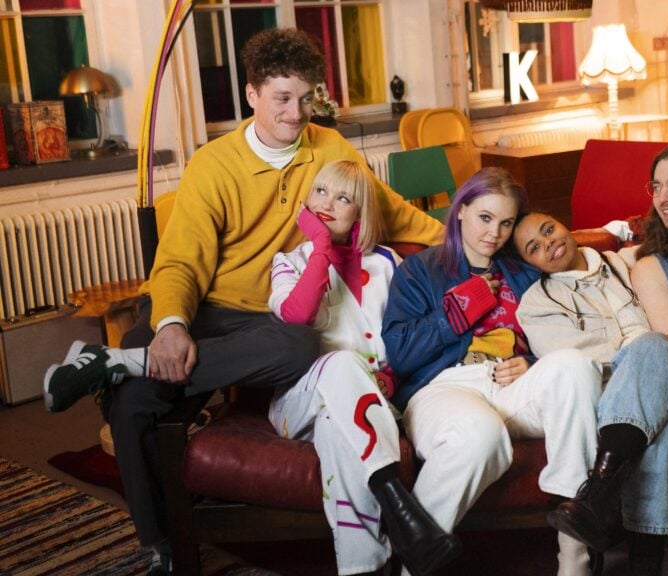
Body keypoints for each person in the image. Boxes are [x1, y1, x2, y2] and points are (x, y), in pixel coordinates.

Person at [42, 28, 443, 575]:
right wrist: (172, 326)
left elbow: (391, 211)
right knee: (133, 402)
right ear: (251, 94)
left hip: (271, 318)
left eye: (305, 99)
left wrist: (467, 239)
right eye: (282, 98)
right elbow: (180, 261)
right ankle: (161, 544)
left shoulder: (330, 148)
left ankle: (115, 363)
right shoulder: (213, 164)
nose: (296, 113)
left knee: (300, 345)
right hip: (203, 311)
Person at [381, 168, 604, 576]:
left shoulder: (523, 272)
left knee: (575, 367)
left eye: (505, 223)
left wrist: (532, 361)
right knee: (481, 436)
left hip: (514, 387)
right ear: (460, 210)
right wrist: (462, 308)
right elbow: (401, 354)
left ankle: (575, 556)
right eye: (485, 218)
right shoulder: (418, 270)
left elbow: (558, 327)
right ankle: (411, 567)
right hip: (445, 388)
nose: (494, 234)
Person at [266, 160, 460, 575]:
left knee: (339, 433)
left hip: (373, 408)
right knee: (340, 363)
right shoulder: (288, 263)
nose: (326, 204)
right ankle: (396, 500)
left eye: (343, 198)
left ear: (361, 211)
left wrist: (392, 376)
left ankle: (364, 567)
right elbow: (297, 314)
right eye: (320, 192)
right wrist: (320, 246)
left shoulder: (388, 263)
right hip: (301, 402)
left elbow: (407, 336)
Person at [512, 210, 668, 575]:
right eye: (534, 247)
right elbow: (580, 368)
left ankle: (598, 493)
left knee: (652, 346)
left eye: (549, 229)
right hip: (619, 413)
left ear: (564, 225)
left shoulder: (626, 262)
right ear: (530, 263)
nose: (549, 242)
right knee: (667, 434)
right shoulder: (537, 305)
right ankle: (645, 566)